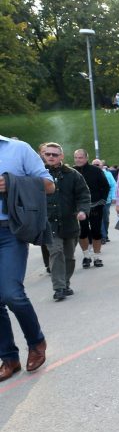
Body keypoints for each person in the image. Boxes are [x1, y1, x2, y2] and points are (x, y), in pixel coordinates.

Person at [0, 134, 52, 381]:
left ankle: (36, 342)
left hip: (9, 230)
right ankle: (9, 358)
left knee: (11, 293)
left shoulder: (18, 148)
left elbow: (49, 185)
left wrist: (12, 184)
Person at [42, 143, 91, 301]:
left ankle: (66, 283)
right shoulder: (38, 174)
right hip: (49, 223)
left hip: (69, 222)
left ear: (61, 156)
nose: (50, 157)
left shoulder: (73, 174)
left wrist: (83, 210)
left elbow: (83, 195)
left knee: (69, 257)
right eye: (48, 154)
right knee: (56, 252)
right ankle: (59, 287)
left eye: (54, 154)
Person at [73, 149, 109, 268]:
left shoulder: (96, 170)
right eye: (76, 157)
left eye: (80, 157)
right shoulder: (71, 172)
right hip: (79, 208)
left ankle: (97, 257)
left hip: (95, 205)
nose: (78, 160)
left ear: (86, 158)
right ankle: (86, 256)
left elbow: (105, 186)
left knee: (96, 231)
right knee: (82, 231)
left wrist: (102, 201)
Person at [94, 159, 116, 242]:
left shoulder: (108, 174)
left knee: (105, 218)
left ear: (102, 166)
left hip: (107, 200)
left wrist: (114, 197)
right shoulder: (91, 174)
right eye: (94, 165)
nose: (96, 166)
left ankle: (105, 234)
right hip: (95, 201)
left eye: (97, 165)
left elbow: (114, 185)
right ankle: (102, 236)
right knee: (99, 218)